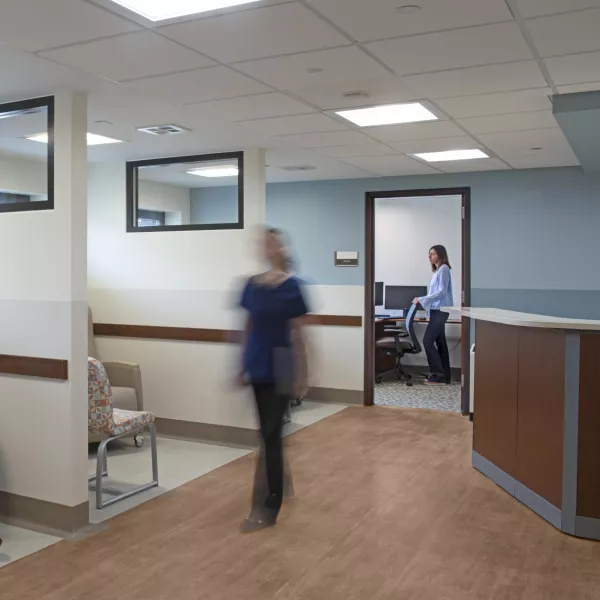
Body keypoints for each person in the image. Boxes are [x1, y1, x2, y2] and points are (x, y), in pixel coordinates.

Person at [239, 227, 309, 532]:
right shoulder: (251, 286)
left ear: (281, 249)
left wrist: (303, 374)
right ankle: (282, 481)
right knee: (269, 432)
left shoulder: (292, 287)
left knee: (269, 434)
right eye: (263, 243)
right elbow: (247, 326)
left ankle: (268, 506)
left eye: (273, 243)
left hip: (281, 363)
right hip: (257, 362)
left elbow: (299, 333)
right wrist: (239, 364)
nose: (267, 247)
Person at [413, 245, 453, 385]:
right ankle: (445, 376)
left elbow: (441, 292)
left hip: (441, 311)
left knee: (427, 341)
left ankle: (437, 375)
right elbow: (435, 294)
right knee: (440, 342)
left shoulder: (444, 269)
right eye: (429, 254)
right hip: (437, 311)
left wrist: (422, 299)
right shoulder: (437, 271)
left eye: (433, 254)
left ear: (441, 255)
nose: (430, 256)